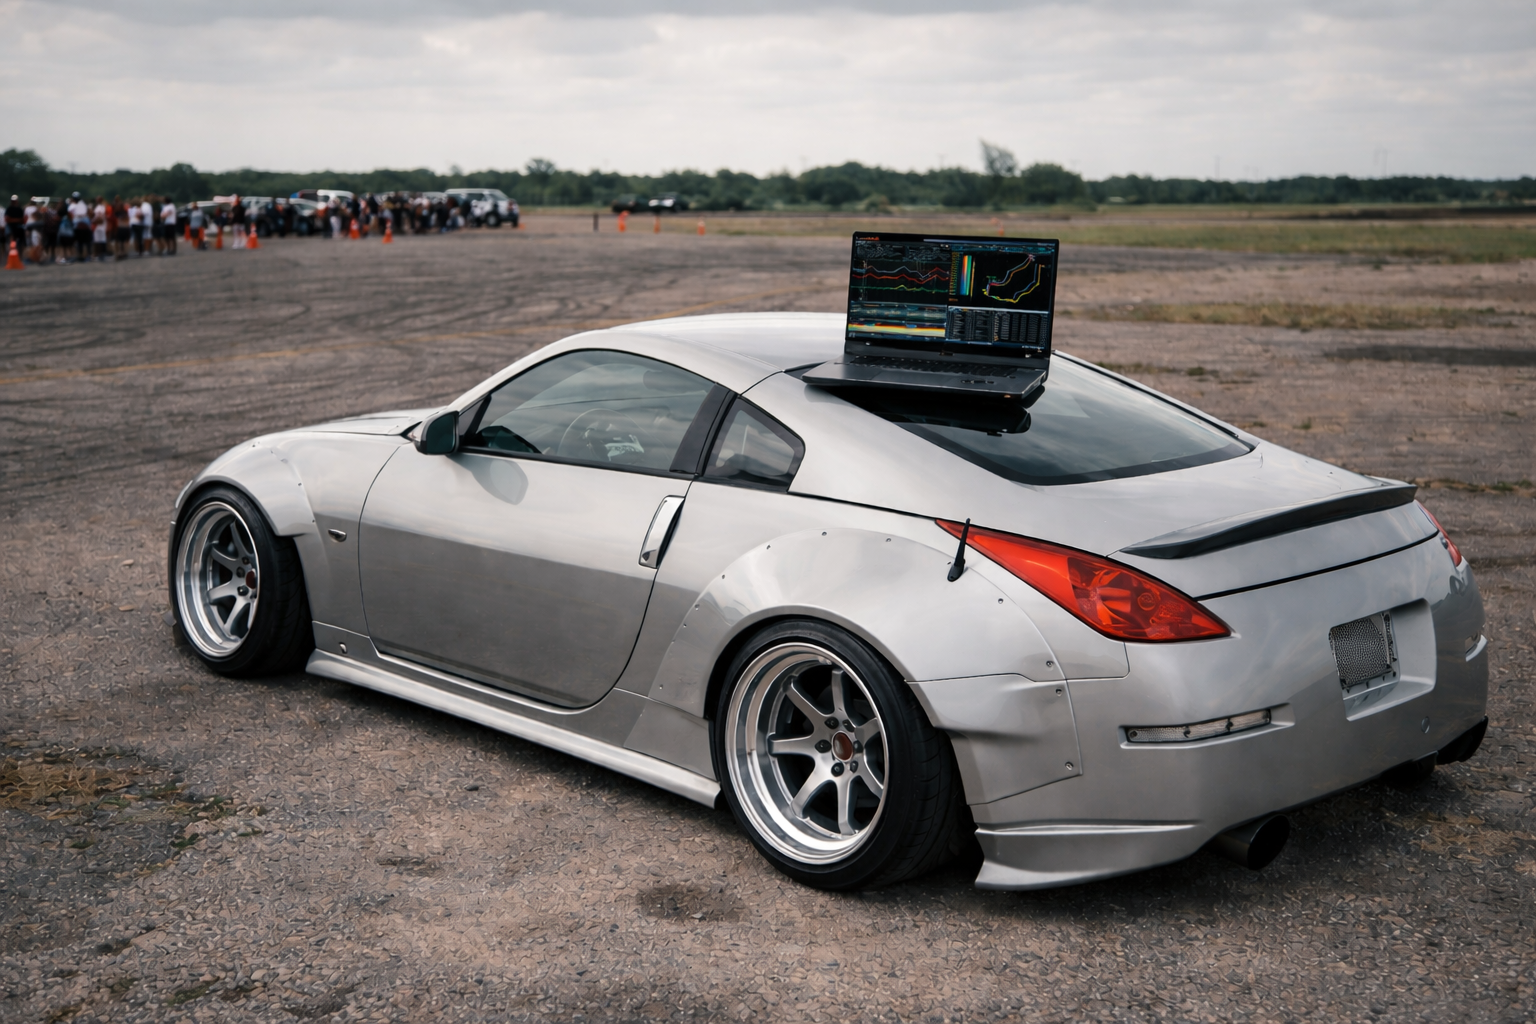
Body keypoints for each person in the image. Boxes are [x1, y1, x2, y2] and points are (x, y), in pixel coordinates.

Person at [69, 192, 90, 261]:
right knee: (81, 242)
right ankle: (81, 256)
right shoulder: (79, 204)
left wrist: (75, 216)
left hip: (80, 226)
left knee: (81, 242)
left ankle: (83, 256)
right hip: (80, 226)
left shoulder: (79, 204)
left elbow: (81, 214)